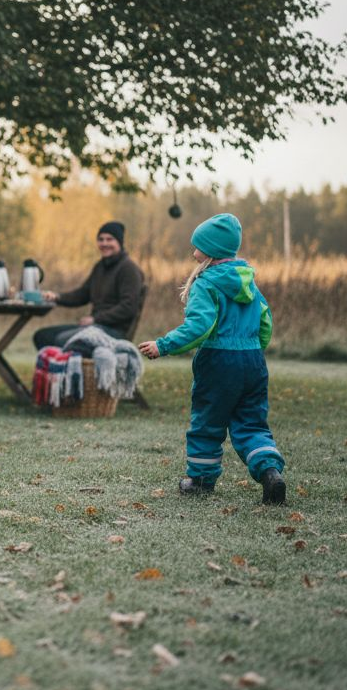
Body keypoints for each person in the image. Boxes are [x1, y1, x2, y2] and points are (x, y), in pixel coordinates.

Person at [137, 213, 287, 505]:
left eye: (197, 246)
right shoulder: (248, 282)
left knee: (208, 420)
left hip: (219, 362)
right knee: (252, 422)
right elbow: (265, 321)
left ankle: (201, 480)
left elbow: (199, 327)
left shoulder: (206, 283)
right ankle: (270, 473)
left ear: (211, 250)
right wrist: (254, 349)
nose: (193, 251)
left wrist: (163, 345)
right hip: (253, 361)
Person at [33, 221, 145, 349]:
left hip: (114, 332)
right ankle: (57, 369)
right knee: (42, 336)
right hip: (95, 328)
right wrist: (57, 297)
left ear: (119, 242)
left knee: (62, 340)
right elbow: (82, 294)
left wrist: (96, 319)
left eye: (110, 239)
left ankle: (69, 368)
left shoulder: (128, 269)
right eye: (101, 239)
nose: (104, 243)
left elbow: (128, 307)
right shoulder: (100, 267)